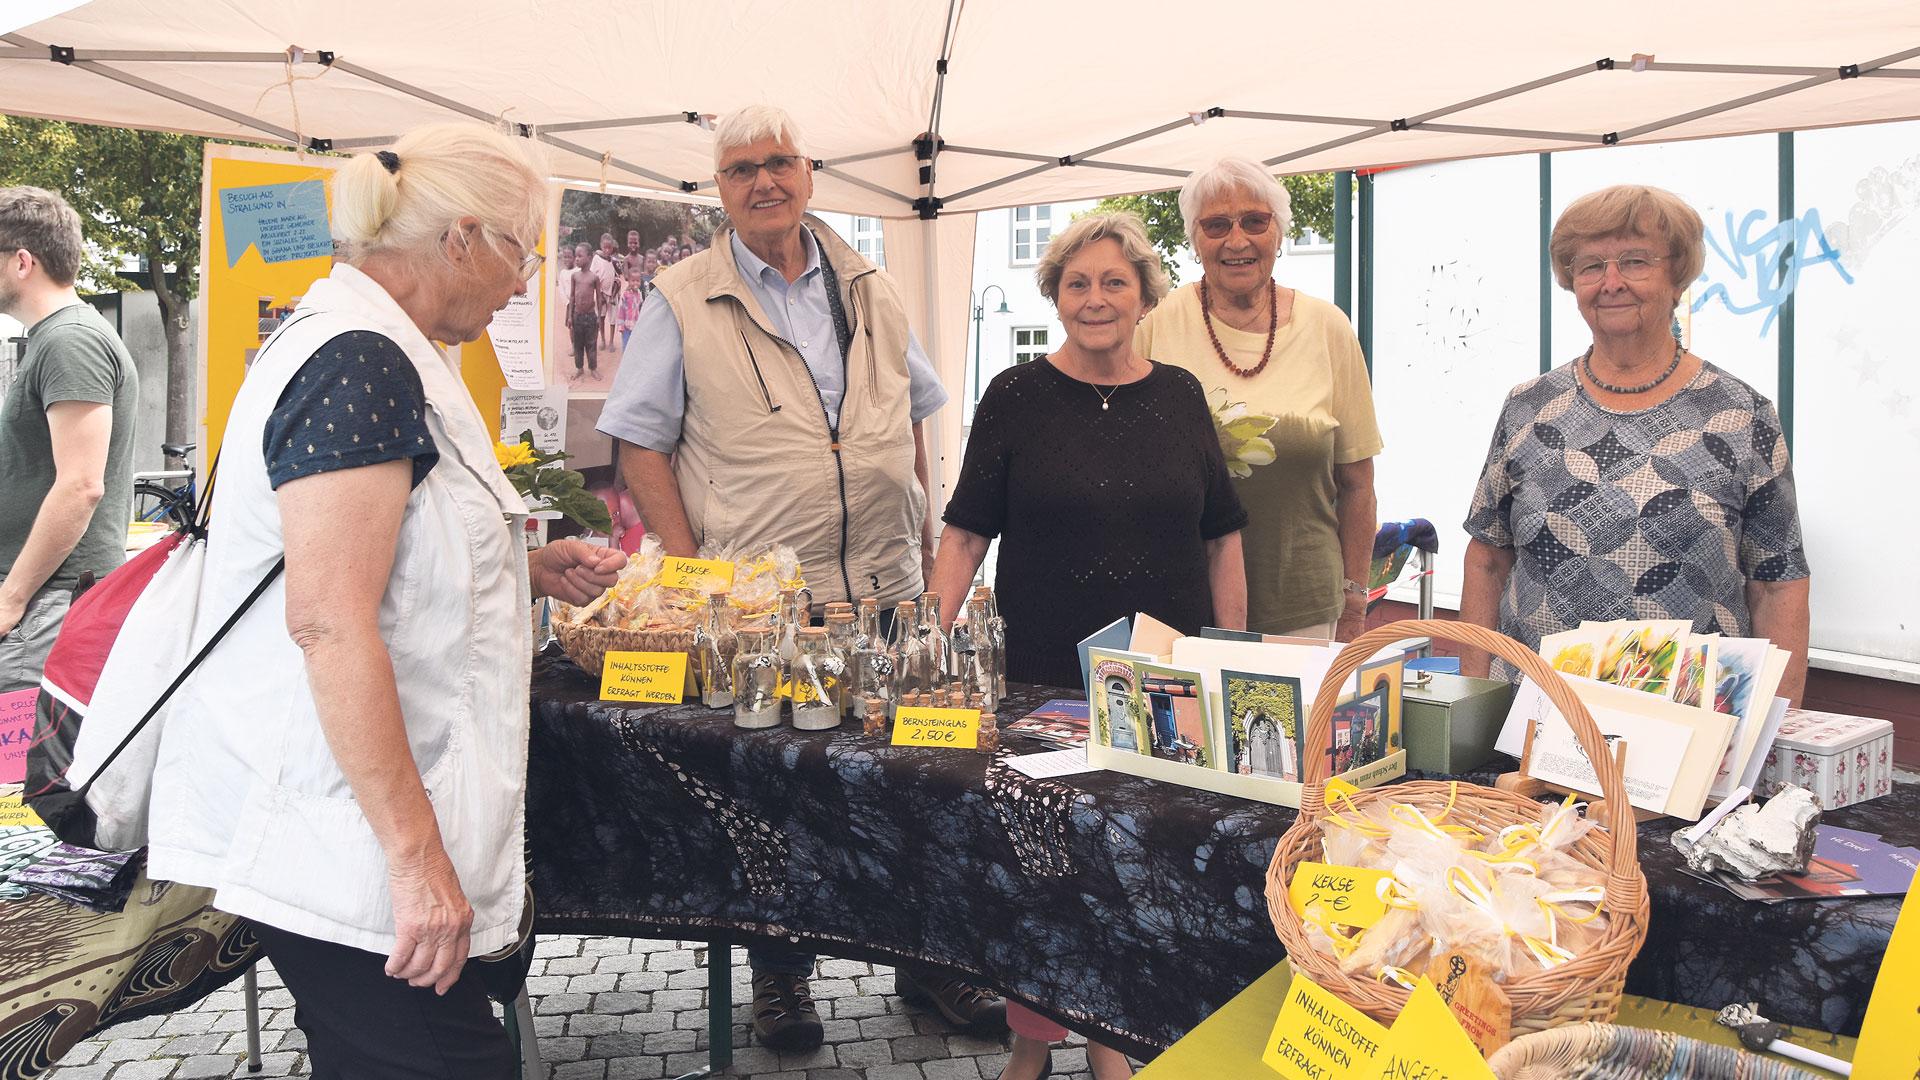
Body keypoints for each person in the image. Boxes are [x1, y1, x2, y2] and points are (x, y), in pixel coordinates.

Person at [146, 124, 627, 1078]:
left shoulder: (375, 349)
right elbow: (326, 619)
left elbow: (381, 560)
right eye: (522, 253)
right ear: (461, 239)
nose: (526, 282)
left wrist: (521, 568)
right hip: (346, 840)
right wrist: (415, 861)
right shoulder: (360, 360)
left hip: (351, 825)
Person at [598, 103, 993, 1052]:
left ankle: (930, 962)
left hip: (891, 590)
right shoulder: (681, 296)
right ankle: (780, 976)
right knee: (770, 794)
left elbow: (911, 415)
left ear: (810, 173)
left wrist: (925, 523)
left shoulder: (873, 285)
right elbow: (637, 445)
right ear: (719, 189)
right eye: (742, 169)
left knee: (918, 782)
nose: (765, 181)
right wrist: (695, 574)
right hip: (765, 607)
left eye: (780, 162)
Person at [928, 210, 1244, 1080]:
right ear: (1055, 295)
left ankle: (1108, 1050)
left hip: (1161, 684)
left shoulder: (1179, 393)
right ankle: (1040, 1053)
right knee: (1045, 873)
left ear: (1145, 294)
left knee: (1137, 872)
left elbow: (1223, 537)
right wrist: (924, 651)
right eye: (1077, 283)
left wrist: (1226, 655)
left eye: (1114, 282)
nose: (1096, 298)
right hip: (1042, 686)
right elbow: (963, 536)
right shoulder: (1015, 395)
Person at [1459, 184, 1811, 702]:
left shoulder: (1740, 415)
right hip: (1532, 721)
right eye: (1591, 266)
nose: (1612, 282)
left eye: (1635, 261)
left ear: (1677, 278)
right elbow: (1488, 558)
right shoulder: (1529, 407)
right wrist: (1474, 700)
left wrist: (1771, 730)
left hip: (1686, 727)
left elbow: (1778, 583)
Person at [1136, 156, 1381, 642]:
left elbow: (1357, 483)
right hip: (1179, 599)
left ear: (1279, 232)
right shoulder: (1157, 324)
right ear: (1194, 238)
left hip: (1302, 602)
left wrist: (1355, 598)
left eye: (1255, 221)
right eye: (1216, 225)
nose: (1237, 240)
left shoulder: (1327, 327)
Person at [0, 185, 138, 694]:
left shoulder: (70, 341)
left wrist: (12, 598)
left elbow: (81, 486)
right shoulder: (55, 338)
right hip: (42, 602)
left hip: (47, 605)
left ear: (21, 261)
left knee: (27, 774)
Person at [566, 241, 600, 380]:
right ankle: (579, 368)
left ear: (589, 257)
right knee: (578, 345)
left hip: (591, 317)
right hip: (577, 316)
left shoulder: (594, 277)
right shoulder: (575, 276)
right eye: (576, 256)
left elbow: (599, 297)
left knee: (591, 345)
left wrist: (598, 316)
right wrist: (569, 317)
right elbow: (572, 297)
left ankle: (593, 368)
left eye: (580, 256)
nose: (577, 259)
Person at [592, 233, 620, 350]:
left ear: (613, 247)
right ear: (601, 246)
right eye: (605, 247)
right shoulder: (596, 259)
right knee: (601, 318)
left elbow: (618, 277)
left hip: (613, 294)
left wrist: (615, 292)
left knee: (612, 319)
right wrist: (599, 295)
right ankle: (602, 339)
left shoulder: (614, 261)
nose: (607, 250)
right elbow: (593, 278)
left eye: (610, 247)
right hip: (601, 294)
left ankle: (611, 342)